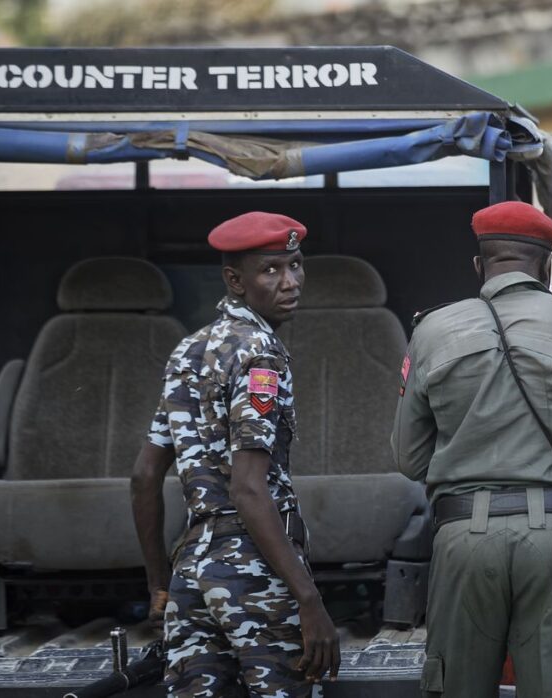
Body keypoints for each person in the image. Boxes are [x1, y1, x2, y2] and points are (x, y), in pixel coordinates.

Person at [392, 201, 552, 698]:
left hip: (461, 539)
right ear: (547, 266)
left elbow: (409, 460)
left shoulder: (431, 330)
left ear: (479, 265)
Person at [130, 212, 338, 697]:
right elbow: (248, 488)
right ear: (234, 281)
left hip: (191, 570)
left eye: (296, 265)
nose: (290, 282)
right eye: (271, 270)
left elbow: (143, 476)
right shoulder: (260, 354)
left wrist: (160, 585)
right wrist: (309, 599)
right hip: (256, 570)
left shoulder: (189, 349)